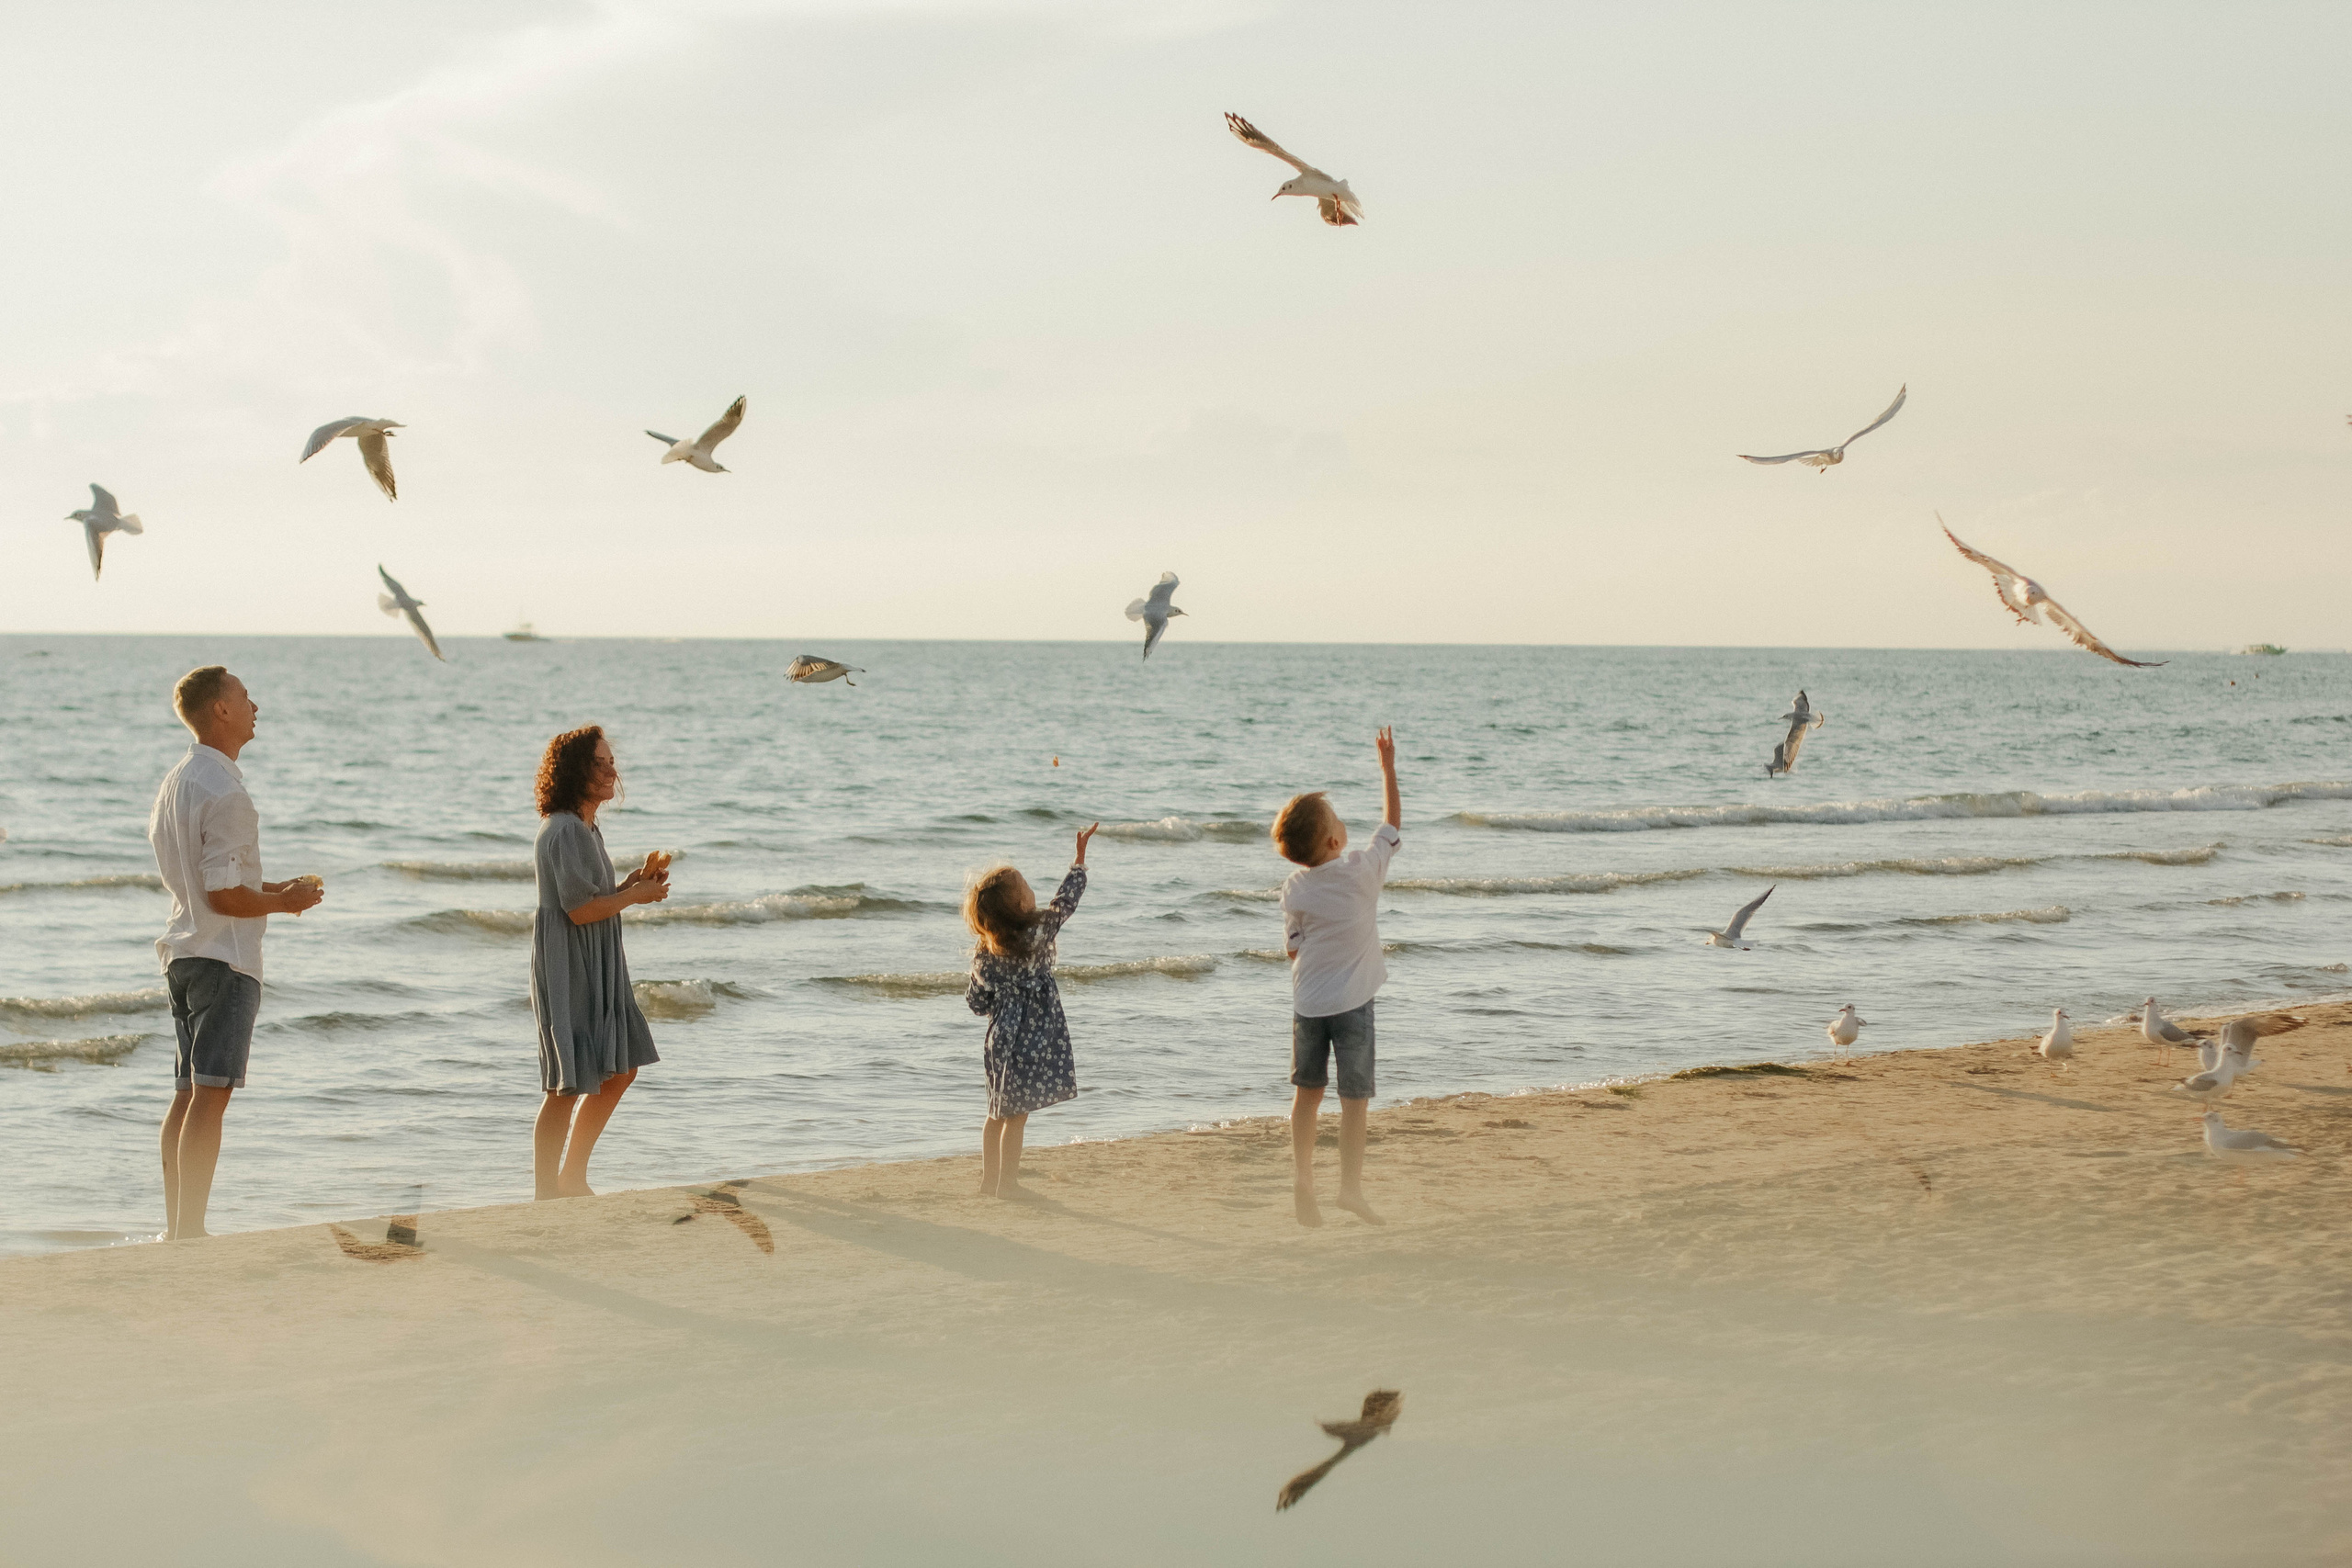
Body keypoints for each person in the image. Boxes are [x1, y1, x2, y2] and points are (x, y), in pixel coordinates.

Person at [147, 666, 325, 1241]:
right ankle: (190, 1231)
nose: (256, 706)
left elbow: (208, 883)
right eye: (246, 697)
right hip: (223, 957)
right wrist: (286, 904)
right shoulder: (226, 790)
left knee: (186, 1094)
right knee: (210, 1094)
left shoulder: (178, 780)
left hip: (184, 950)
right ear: (220, 710)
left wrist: (275, 890)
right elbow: (224, 894)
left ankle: (178, 1226)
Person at [529, 726, 668, 1199]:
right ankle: (548, 1191)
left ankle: (571, 1178)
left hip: (595, 959)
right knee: (567, 1084)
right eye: (601, 762)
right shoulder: (565, 828)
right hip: (571, 963)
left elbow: (591, 898)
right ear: (576, 772)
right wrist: (633, 896)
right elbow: (579, 910)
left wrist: (630, 886)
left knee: (619, 1066)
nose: (613, 770)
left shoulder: (585, 827)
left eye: (612, 761)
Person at [1272, 727, 1402, 1228]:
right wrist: (1387, 768)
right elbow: (1391, 823)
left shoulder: (1294, 888)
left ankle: (1303, 1177)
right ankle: (1349, 1188)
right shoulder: (1362, 872)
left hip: (1308, 1006)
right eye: (1340, 819)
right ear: (1333, 839)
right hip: (1352, 1006)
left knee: (1307, 1095)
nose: (1345, 822)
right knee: (1354, 1101)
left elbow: (1292, 947)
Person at [964, 823, 1098, 1200]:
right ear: (1022, 905)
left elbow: (975, 1001)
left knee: (996, 1112)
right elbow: (1064, 905)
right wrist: (1079, 863)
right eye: (1026, 888)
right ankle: (1008, 1185)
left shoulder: (983, 953)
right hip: (1029, 1038)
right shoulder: (1036, 938)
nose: (1032, 892)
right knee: (1017, 1117)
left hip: (998, 1039)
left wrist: (998, 1006)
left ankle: (989, 1182)